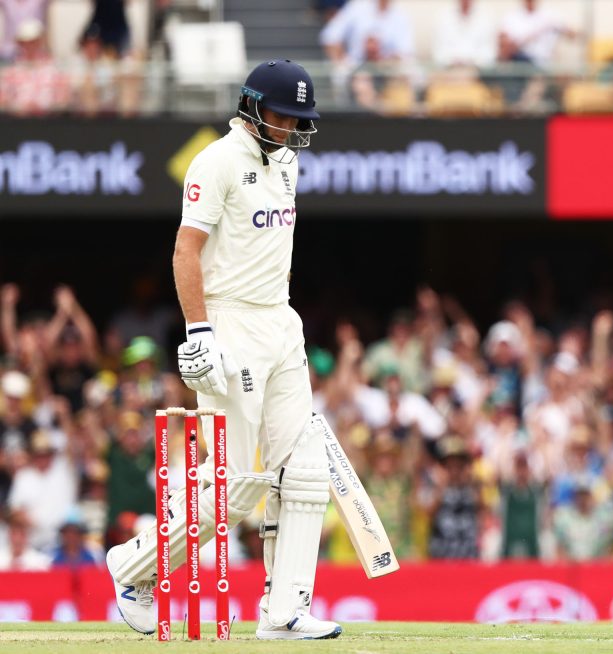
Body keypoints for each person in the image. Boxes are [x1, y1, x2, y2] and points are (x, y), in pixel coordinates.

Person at [104, 59, 343, 640]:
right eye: (283, 115)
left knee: (303, 472)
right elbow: (186, 253)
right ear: (253, 106)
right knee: (236, 488)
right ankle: (133, 567)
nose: (290, 128)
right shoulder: (215, 162)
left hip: (282, 323)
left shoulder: (287, 161)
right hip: (230, 324)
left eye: (298, 119)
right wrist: (200, 332)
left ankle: (284, 611)